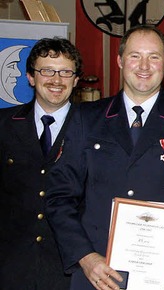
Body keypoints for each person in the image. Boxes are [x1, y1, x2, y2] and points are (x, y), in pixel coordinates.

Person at [44, 25, 164, 290]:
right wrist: (86, 258)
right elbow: (59, 197)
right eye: (135, 55)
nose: (144, 66)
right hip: (97, 276)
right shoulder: (86, 118)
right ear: (120, 60)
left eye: (154, 57)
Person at [0, 37, 81, 290]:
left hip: (69, 270)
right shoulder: (3, 125)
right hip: (11, 267)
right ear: (30, 77)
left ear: (76, 80)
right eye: (47, 71)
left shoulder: (95, 128)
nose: (56, 80)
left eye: (65, 72)